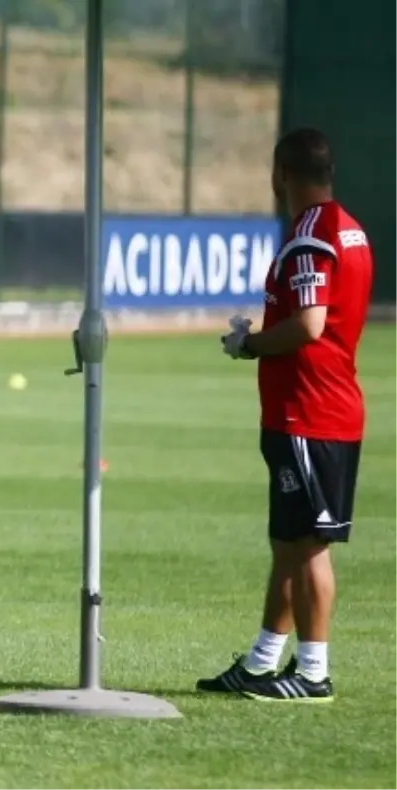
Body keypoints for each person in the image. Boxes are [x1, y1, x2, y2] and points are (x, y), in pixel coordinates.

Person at [203, 127, 372, 703]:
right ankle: (261, 662)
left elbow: (310, 325)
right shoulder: (350, 230)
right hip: (317, 406)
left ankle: (314, 671)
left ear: (282, 173)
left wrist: (248, 344)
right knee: (290, 542)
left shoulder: (311, 235)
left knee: (307, 544)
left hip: (311, 412)